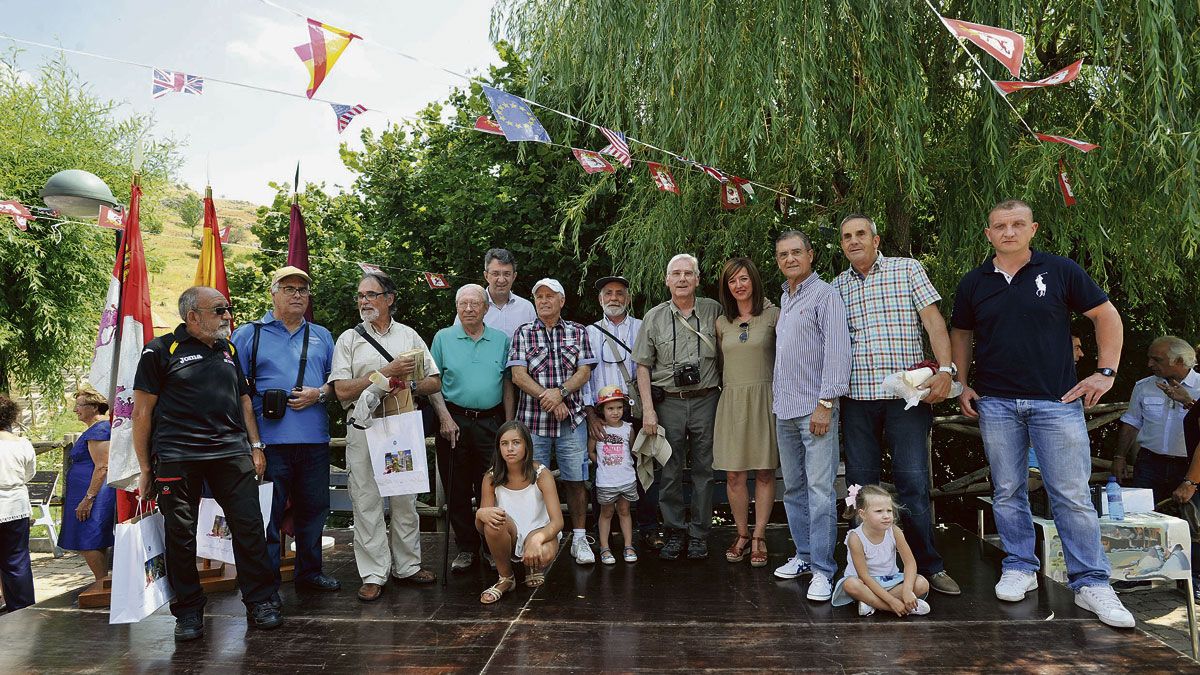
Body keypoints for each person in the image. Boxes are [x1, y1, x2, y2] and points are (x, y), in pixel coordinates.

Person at [950, 198, 1135, 628]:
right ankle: (1019, 566)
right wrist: (962, 381)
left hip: (1057, 402)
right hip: (995, 402)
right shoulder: (974, 281)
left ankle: (1091, 582)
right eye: (1000, 226)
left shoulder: (1060, 270)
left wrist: (1106, 371)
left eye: (1017, 224)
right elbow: (961, 331)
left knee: (1070, 494)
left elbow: (1105, 314)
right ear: (989, 234)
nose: (1009, 232)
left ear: (1033, 229)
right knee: (1007, 488)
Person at [132, 286, 282, 641]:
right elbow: (141, 412)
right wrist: (145, 468)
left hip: (231, 454)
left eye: (227, 310)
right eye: (219, 310)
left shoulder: (228, 349)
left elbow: (245, 401)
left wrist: (256, 445)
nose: (227, 316)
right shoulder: (159, 351)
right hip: (177, 457)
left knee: (249, 529)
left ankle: (261, 602)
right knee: (180, 537)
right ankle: (188, 613)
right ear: (193, 316)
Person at [830, 214, 961, 596]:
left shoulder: (907, 270)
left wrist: (947, 370)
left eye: (860, 234)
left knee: (913, 483)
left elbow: (934, 323)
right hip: (857, 399)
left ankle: (928, 566)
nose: (853, 241)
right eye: (846, 237)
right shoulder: (838, 286)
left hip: (907, 399)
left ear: (876, 238)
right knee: (860, 490)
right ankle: (860, 570)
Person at [329, 271, 443, 602]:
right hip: (364, 428)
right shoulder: (348, 339)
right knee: (366, 500)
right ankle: (374, 573)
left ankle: (407, 566)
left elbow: (433, 381)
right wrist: (384, 374)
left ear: (389, 299)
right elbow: (341, 390)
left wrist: (405, 384)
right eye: (360, 295)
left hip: (401, 427)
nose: (363, 301)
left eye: (371, 295)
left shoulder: (409, 336)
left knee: (405, 498)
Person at [230, 266, 339, 593]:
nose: (297, 295)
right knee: (269, 517)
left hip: (315, 441)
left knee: (314, 510)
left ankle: (310, 573)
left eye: (303, 290)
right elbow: (236, 390)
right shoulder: (251, 334)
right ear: (273, 293)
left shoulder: (322, 335)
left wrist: (318, 394)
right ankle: (268, 582)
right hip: (269, 443)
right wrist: (253, 444)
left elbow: (339, 385)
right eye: (289, 289)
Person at [770, 231, 851, 602]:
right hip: (784, 409)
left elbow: (837, 353)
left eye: (796, 252)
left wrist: (826, 403)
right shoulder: (786, 299)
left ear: (811, 255)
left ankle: (822, 568)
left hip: (814, 409)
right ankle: (804, 556)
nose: (790, 259)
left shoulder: (825, 295)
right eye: (783, 254)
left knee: (820, 491)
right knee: (794, 489)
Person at [633, 254, 723, 560]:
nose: (682, 279)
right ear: (667, 280)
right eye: (676, 274)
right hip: (669, 402)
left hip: (707, 400)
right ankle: (673, 531)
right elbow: (642, 366)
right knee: (669, 470)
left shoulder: (714, 310)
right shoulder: (653, 317)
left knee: (704, 471)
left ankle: (699, 533)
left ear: (698, 279)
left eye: (688, 273)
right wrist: (648, 409)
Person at [508, 278, 596, 564]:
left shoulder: (577, 331)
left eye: (549, 296)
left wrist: (561, 394)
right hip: (534, 423)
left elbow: (584, 371)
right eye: (539, 297)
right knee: (531, 481)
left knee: (576, 479)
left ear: (562, 301)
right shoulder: (522, 333)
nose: (543, 301)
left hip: (572, 421)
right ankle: (534, 537)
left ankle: (580, 538)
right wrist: (550, 399)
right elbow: (518, 376)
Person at [428, 284, 515, 573]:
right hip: (453, 421)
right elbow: (432, 382)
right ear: (456, 307)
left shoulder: (501, 340)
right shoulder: (442, 338)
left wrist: (509, 424)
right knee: (456, 487)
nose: (468, 309)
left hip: (491, 421)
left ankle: (492, 546)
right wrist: (443, 417)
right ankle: (466, 548)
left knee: (492, 486)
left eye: (474, 304)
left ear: (485, 308)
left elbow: (507, 383)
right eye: (463, 304)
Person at [1111, 336, 1200, 593]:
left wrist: (1187, 401)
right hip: (1150, 461)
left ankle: (1192, 581)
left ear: (1180, 361)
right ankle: (1139, 574)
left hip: (1189, 465)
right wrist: (1119, 456)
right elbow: (1131, 422)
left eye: (1157, 359)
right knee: (1141, 518)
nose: (1150, 363)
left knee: (1194, 522)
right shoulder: (1144, 386)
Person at [581, 275, 661, 549]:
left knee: (643, 467)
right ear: (600, 299)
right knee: (603, 467)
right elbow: (584, 376)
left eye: (619, 293)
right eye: (608, 293)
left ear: (627, 298)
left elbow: (650, 368)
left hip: (636, 411)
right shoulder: (588, 332)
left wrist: (649, 410)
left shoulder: (642, 327)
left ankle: (648, 528)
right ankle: (601, 533)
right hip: (602, 415)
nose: (613, 297)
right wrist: (591, 415)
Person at [712, 257, 779, 568]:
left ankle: (759, 535)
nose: (738, 285)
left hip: (765, 398)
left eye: (743, 279)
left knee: (765, 472)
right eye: (732, 281)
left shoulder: (774, 315)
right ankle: (741, 533)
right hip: (733, 400)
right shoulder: (721, 322)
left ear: (753, 280)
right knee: (734, 474)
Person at [476, 420, 564, 604]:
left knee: (544, 553)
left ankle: (532, 567)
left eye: (516, 442)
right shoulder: (491, 477)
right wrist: (480, 514)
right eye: (504, 443)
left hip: (540, 531)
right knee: (493, 520)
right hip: (511, 533)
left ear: (526, 445)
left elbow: (558, 522)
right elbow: (482, 526)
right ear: (498, 447)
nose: (510, 448)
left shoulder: (541, 474)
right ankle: (506, 577)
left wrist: (536, 539)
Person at [831, 484, 931, 618]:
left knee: (922, 583)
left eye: (889, 511)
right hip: (865, 584)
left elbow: (910, 563)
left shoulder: (894, 531)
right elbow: (864, 576)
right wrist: (892, 601)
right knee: (850, 584)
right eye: (879, 511)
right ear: (863, 514)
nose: (886, 516)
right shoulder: (855, 538)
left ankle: (871, 604)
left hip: (889, 581)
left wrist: (907, 591)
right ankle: (899, 608)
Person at [59, 387, 116, 592]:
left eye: (79, 405)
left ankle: (103, 584)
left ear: (94, 407)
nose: (76, 410)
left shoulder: (100, 430)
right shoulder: (95, 429)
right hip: (87, 492)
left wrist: (88, 498)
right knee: (93, 538)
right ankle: (103, 583)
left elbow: (102, 466)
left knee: (89, 539)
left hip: (93, 493)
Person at [589, 385, 639, 564]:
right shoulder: (598, 430)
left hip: (626, 479)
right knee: (607, 512)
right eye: (610, 408)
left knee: (625, 511)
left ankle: (628, 545)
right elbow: (591, 452)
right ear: (602, 409)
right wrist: (603, 465)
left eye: (619, 408)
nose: (615, 412)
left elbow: (633, 450)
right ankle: (605, 547)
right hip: (606, 481)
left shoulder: (628, 428)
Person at [0, 394, 36, 612]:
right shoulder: (22, 443)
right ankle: (22, 608)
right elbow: (28, 474)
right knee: (17, 560)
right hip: (15, 506)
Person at [457, 248, 537, 341]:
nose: (501, 280)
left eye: (507, 274)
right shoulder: (469, 308)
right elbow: (457, 341)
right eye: (496, 274)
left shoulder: (526, 308)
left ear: (514, 276)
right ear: (486, 276)